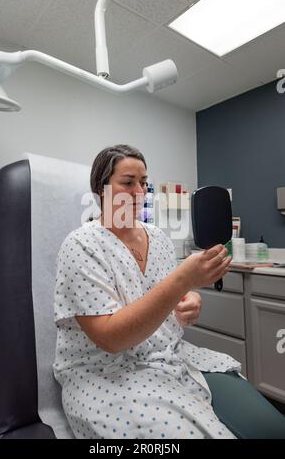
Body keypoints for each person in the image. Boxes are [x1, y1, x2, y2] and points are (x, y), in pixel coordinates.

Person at [53, 145, 285, 439]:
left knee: (272, 429)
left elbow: (165, 297)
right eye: (128, 182)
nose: (140, 191)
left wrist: (187, 302)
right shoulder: (81, 246)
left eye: (144, 182)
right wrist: (182, 282)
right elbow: (110, 338)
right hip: (106, 373)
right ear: (102, 190)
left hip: (170, 356)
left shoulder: (159, 239)